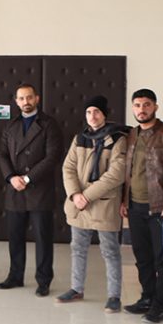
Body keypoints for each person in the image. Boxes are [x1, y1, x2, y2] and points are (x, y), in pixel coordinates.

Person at [120, 88, 163, 323]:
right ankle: (147, 298)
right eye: (137, 105)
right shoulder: (132, 134)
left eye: (146, 105)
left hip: (162, 208)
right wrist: (124, 200)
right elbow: (129, 171)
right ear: (133, 108)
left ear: (155, 107)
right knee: (143, 257)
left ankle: (161, 306)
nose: (142, 109)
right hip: (135, 206)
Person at [56, 95, 128, 311]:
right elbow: (68, 168)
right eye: (88, 112)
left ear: (104, 114)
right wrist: (75, 194)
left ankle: (114, 296)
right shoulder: (80, 138)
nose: (92, 116)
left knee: (110, 251)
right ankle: (76, 288)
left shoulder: (118, 139)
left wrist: (86, 196)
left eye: (96, 111)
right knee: (78, 248)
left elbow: (116, 174)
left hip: (103, 203)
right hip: (79, 203)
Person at [0, 82, 63, 296]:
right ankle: (15, 276)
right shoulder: (11, 126)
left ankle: (43, 281)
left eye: (29, 97)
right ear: (16, 101)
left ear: (37, 99)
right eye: (22, 98)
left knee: (43, 238)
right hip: (15, 189)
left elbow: (52, 157)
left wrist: (27, 177)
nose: (26, 101)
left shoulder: (50, 124)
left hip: (39, 189)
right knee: (15, 237)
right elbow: (2, 154)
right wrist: (10, 177)